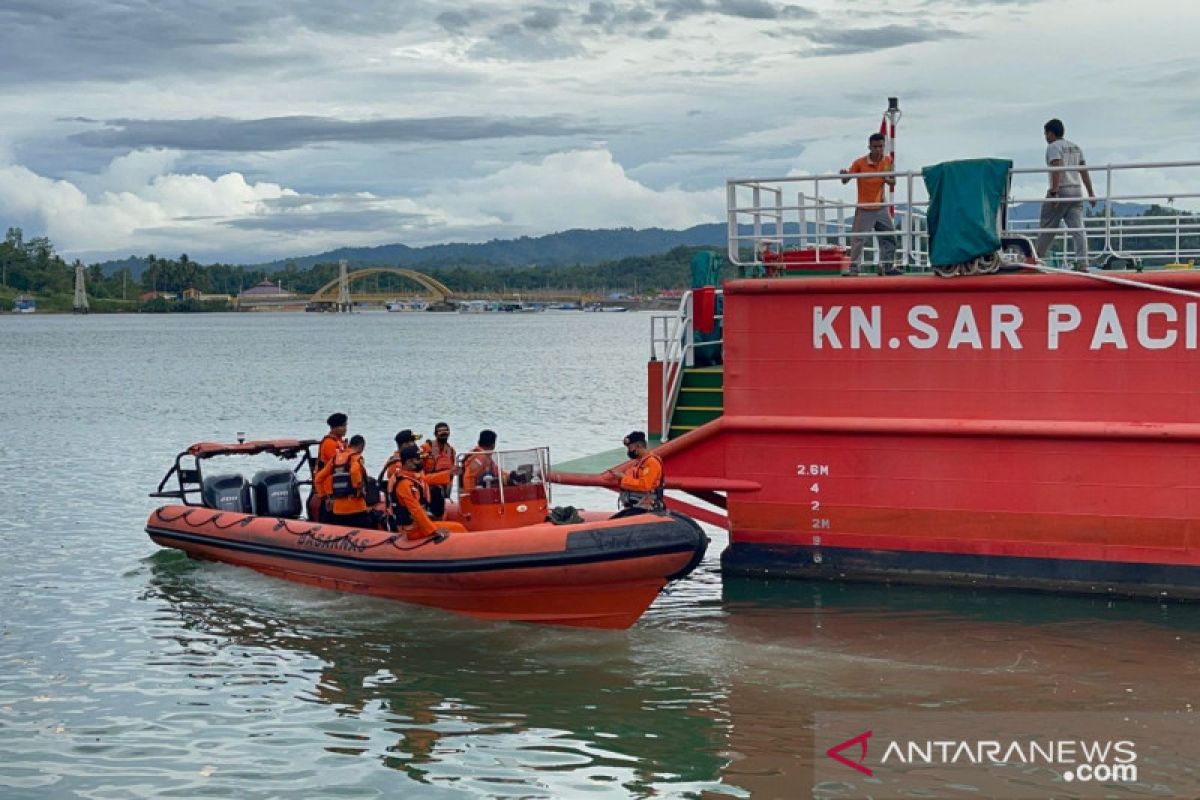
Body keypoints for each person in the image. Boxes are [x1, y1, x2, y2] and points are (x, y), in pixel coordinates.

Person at [1036, 119, 1097, 270]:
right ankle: (1083, 262)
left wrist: (1054, 192)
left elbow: (1057, 167)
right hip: (1076, 191)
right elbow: (1083, 170)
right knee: (1078, 229)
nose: (1045, 136)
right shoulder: (1076, 147)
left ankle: (1036, 260)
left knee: (1047, 226)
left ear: (1051, 133)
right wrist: (1090, 192)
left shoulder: (1053, 147)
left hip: (1062, 189)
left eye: (1046, 133)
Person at [840, 133, 900, 275]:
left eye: (881, 146)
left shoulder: (887, 160)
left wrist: (885, 178)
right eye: (875, 147)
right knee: (858, 239)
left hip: (881, 206)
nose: (878, 149)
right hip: (864, 207)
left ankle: (886, 267)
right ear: (869, 147)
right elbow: (846, 179)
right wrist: (843, 174)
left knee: (889, 236)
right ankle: (854, 270)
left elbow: (893, 181)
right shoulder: (860, 163)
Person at [390, 445, 465, 540]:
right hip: (411, 530)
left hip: (418, 527)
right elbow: (416, 510)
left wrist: (449, 473)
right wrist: (432, 530)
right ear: (408, 462)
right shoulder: (404, 484)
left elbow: (427, 479)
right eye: (418, 459)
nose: (421, 462)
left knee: (457, 526)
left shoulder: (411, 478)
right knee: (459, 528)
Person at [314, 434, 373, 529]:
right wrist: (358, 488)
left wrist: (324, 497)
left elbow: (318, 479)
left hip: (338, 509)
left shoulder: (335, 459)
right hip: (357, 508)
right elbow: (354, 471)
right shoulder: (356, 458)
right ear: (361, 447)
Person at [610, 431, 665, 513]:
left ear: (638, 446)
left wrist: (623, 478)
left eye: (630, 448)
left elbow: (645, 485)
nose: (629, 451)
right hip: (635, 505)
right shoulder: (640, 462)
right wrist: (620, 478)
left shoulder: (651, 462)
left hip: (646, 506)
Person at [312, 412, 348, 521]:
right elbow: (340, 462)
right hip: (328, 488)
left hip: (337, 486)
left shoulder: (340, 442)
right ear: (335, 428)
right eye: (343, 426)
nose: (346, 429)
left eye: (346, 426)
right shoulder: (329, 443)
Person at [420, 422, 457, 519]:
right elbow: (418, 472)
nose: (443, 434)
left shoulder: (451, 451)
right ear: (435, 434)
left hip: (443, 488)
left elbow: (451, 474)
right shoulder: (426, 448)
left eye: (446, 431)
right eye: (440, 431)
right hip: (428, 488)